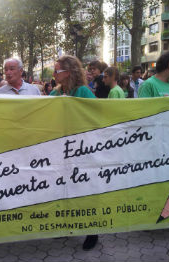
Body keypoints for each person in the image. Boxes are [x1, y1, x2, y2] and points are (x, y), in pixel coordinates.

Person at [50, 55, 96, 250]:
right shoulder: (54, 92)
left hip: (81, 151)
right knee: (64, 190)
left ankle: (92, 231)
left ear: (68, 72)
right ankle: (65, 225)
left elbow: (97, 115)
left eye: (57, 70)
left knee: (84, 191)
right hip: (60, 152)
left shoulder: (83, 92)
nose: (53, 74)